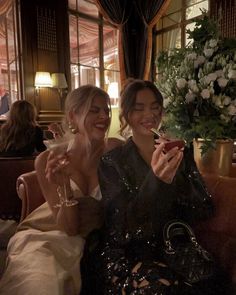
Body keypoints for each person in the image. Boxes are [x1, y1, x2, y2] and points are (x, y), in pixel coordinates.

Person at [86, 79, 232, 294]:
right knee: (162, 286)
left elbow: (204, 208)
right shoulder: (112, 162)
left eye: (155, 108)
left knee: (213, 281)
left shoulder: (178, 154)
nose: (149, 115)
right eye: (139, 109)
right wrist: (156, 181)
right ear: (126, 115)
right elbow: (120, 230)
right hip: (127, 254)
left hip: (173, 249)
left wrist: (178, 175)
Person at [0, 85, 122, 295]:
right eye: (94, 110)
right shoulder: (47, 159)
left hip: (89, 240)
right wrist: (64, 185)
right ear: (73, 116)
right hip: (44, 235)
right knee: (41, 282)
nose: (104, 116)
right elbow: (69, 228)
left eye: (106, 110)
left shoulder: (115, 149)